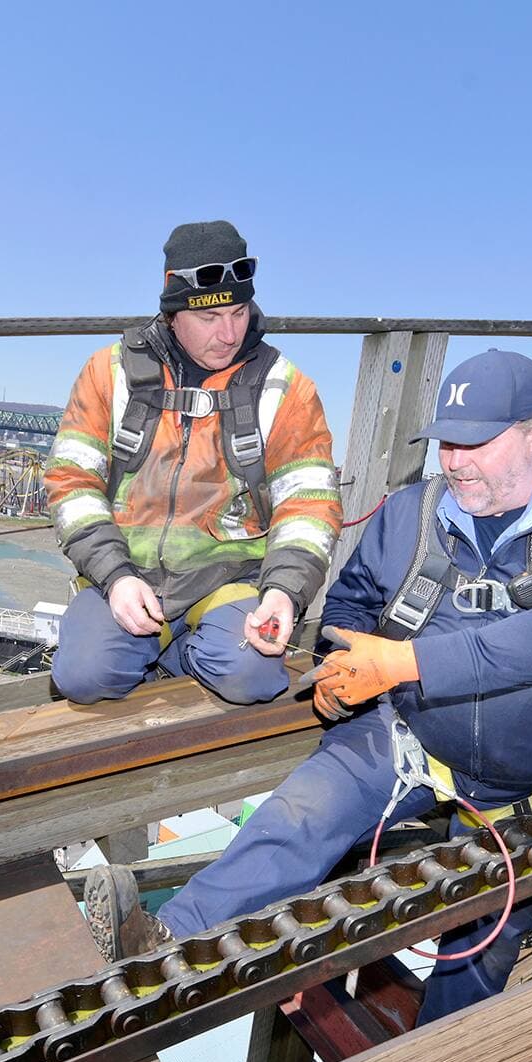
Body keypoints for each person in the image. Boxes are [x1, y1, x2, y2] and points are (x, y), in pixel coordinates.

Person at [86, 349, 532, 1026]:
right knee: (297, 818)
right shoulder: (413, 514)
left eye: (475, 442)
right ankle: (161, 950)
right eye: (446, 443)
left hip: (531, 780)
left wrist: (402, 664)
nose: (454, 461)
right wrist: (343, 671)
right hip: (408, 734)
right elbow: (352, 603)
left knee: (473, 947)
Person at [44, 221, 341, 705]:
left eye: (240, 311)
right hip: (129, 575)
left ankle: (181, 649)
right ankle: (178, 649)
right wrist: (115, 577)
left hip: (231, 580)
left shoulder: (286, 387)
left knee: (254, 679)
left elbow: (309, 506)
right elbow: (70, 482)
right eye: (210, 318)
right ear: (174, 312)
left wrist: (284, 591)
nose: (228, 333)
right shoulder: (110, 372)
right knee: (83, 677)